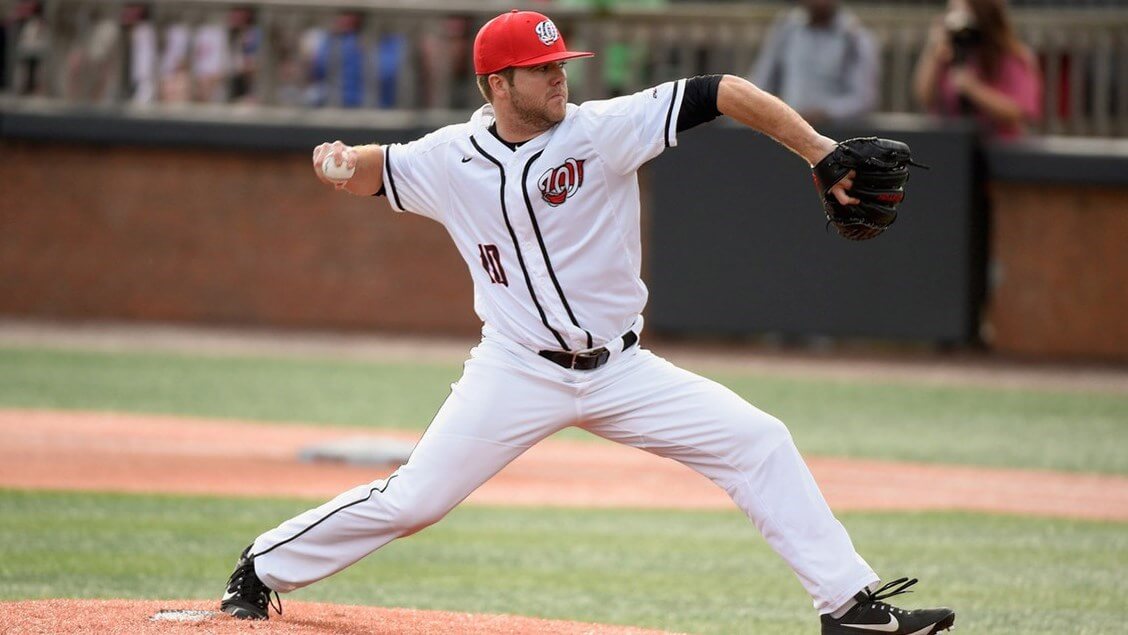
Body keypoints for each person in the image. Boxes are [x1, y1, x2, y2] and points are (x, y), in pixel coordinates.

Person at [219, 10, 955, 635]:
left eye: (560, 62)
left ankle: (849, 605)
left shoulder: (602, 129)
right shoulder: (451, 156)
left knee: (757, 439)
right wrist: (342, 165)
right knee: (416, 499)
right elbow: (381, 169)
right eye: (540, 69)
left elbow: (722, 91)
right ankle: (261, 565)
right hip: (516, 368)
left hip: (623, 369)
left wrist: (820, 151)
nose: (559, 76)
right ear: (497, 85)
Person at [913, 0, 1041, 139]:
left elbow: (1019, 113)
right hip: (952, 145)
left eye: (965, 14)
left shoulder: (1012, 56)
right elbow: (924, 97)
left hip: (997, 148)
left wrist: (973, 88)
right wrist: (933, 50)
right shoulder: (949, 52)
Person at [751, 0, 879, 124]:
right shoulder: (787, 29)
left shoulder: (854, 38)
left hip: (835, 134)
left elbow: (863, 100)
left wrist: (825, 113)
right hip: (787, 129)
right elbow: (762, 82)